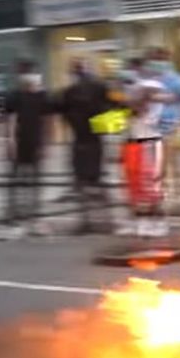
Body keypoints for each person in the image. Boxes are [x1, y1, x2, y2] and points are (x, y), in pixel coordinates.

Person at [55, 59, 114, 234]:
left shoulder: (69, 92)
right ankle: (106, 220)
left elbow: (61, 112)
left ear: (74, 73)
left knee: (81, 182)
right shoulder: (100, 87)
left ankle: (85, 220)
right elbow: (111, 109)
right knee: (97, 181)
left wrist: (72, 126)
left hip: (80, 140)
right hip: (95, 139)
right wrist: (105, 129)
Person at [121, 59, 173, 237]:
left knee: (152, 184)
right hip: (133, 141)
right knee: (134, 184)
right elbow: (129, 107)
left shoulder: (153, 89)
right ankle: (139, 220)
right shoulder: (135, 90)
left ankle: (157, 220)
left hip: (151, 142)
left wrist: (143, 98)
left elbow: (159, 98)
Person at [2, 60, 52, 237]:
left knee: (36, 181)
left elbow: (47, 121)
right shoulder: (14, 96)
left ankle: (35, 215)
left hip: (36, 142)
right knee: (15, 180)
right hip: (19, 142)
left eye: (30, 72)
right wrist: (10, 142)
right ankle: (13, 214)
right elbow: (10, 121)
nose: (27, 77)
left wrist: (46, 144)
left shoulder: (42, 96)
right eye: (23, 73)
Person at [146, 47, 180, 215]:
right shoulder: (150, 79)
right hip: (150, 129)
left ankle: (172, 198)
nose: (154, 63)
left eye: (157, 59)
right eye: (153, 59)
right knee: (157, 166)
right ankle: (161, 197)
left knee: (167, 165)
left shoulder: (176, 80)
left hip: (169, 128)